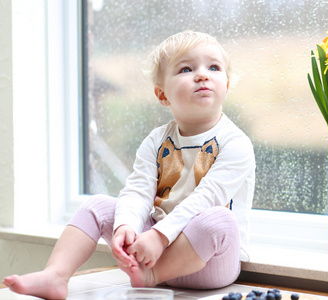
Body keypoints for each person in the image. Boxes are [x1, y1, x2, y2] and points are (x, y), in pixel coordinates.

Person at [2, 30, 255, 299]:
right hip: (151, 252)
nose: (202, 74)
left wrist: (158, 237)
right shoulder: (156, 140)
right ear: (162, 95)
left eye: (214, 67)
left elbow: (207, 198)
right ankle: (55, 275)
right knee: (97, 205)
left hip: (208, 262)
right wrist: (127, 227)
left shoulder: (235, 143)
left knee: (219, 219)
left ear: (226, 85)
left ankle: (152, 276)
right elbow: (138, 191)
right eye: (186, 69)